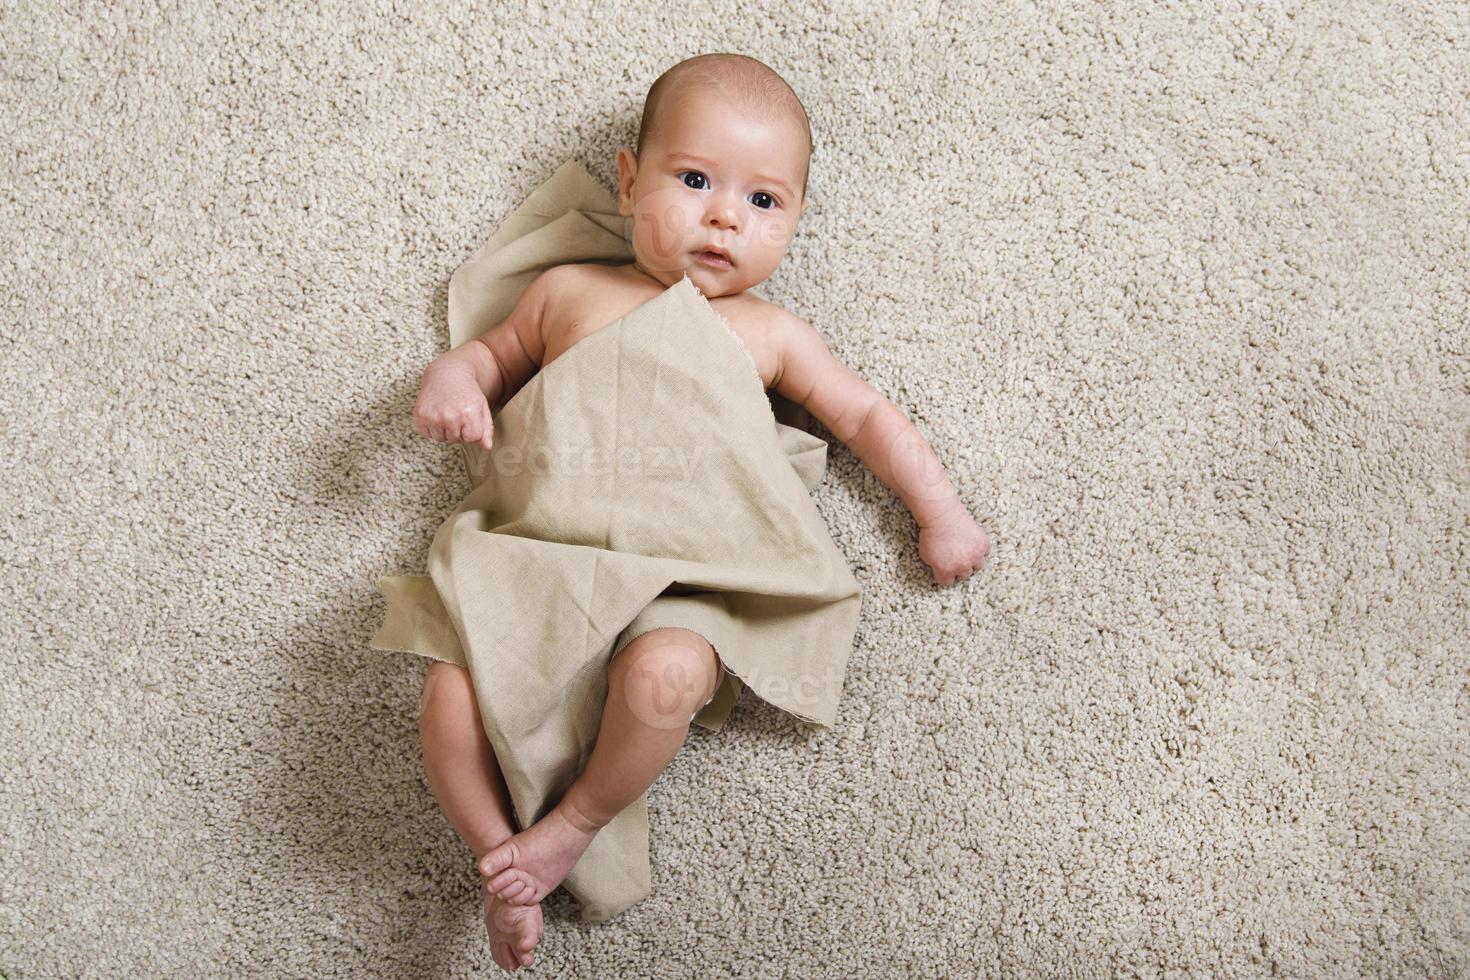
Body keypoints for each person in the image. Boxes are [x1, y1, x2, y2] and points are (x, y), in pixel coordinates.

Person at [411, 52, 990, 971]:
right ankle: (499, 860)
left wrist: (939, 507)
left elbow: (865, 416)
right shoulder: (570, 294)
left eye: (766, 202)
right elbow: (490, 356)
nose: (726, 216)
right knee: (448, 694)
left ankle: (571, 826)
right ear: (631, 180)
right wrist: (452, 378)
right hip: (539, 556)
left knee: (667, 681)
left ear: (797, 221)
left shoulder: (772, 334)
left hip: (686, 576)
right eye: (694, 180)